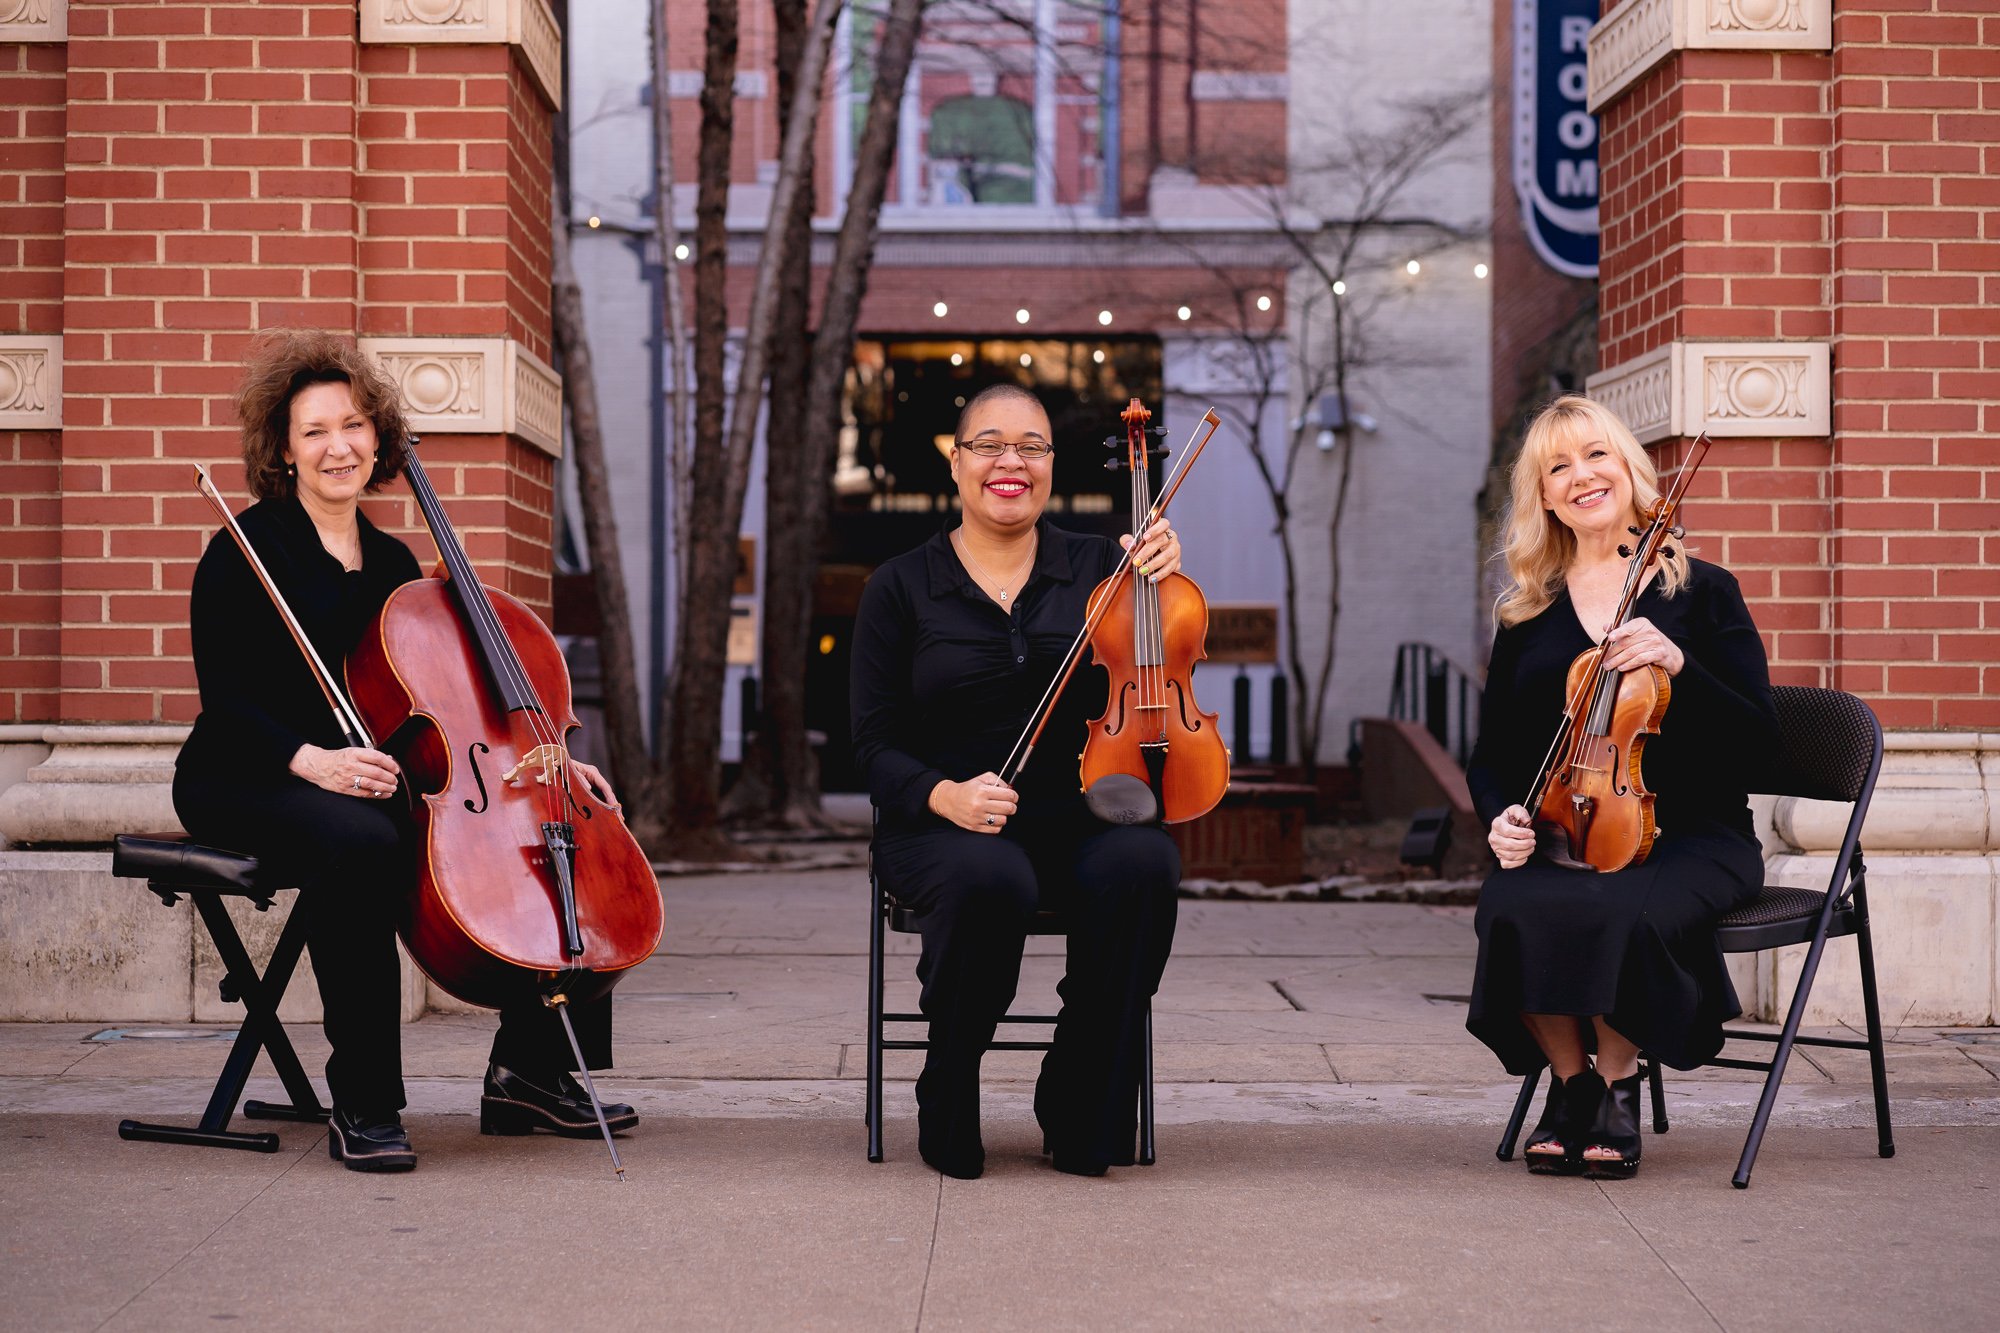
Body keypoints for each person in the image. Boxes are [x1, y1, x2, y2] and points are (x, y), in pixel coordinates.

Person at [173, 329, 632, 1173]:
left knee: (553, 822)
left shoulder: (393, 563)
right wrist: (311, 760)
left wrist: (540, 757)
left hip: (362, 769)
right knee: (362, 841)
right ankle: (367, 1098)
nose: (337, 446)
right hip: (247, 772)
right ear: (283, 449)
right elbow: (228, 703)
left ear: (378, 437)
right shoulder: (243, 550)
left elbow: (442, 694)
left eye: (352, 425)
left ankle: (529, 1068)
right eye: (314, 431)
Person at [850, 384, 1185, 1180]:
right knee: (988, 878)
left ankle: (1078, 1087)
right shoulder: (899, 585)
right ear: (956, 462)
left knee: (1145, 864)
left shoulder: (1103, 566)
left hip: (1079, 812)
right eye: (990, 444)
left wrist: (1161, 583)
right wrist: (946, 795)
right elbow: (873, 743)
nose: (1011, 461)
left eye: (1031, 446)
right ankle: (950, 1075)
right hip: (941, 825)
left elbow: (1152, 676)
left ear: (1051, 465)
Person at [1465, 394, 1779, 1179]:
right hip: (1570, 825)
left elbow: (1760, 741)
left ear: (1629, 469)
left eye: (1595, 455)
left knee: (1623, 908)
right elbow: (1494, 752)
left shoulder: (1702, 591)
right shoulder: (1527, 614)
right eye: (1557, 467)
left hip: (1695, 832)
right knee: (1510, 903)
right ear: (1543, 496)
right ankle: (1570, 1086)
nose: (1581, 476)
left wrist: (1679, 664)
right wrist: (1501, 814)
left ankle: (1618, 1083)